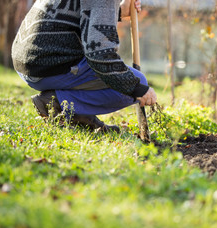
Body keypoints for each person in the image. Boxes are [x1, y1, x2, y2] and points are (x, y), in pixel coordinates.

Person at [11, 0, 157, 133]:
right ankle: (59, 102)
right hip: (47, 66)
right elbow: (99, 55)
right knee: (138, 81)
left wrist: (116, 11)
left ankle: (79, 115)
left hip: (25, 61)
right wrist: (136, 88)